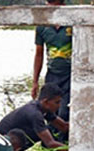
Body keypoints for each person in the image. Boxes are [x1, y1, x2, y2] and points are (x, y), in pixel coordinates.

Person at [32, 0, 72, 132]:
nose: (50, 9)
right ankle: (49, 144)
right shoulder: (42, 26)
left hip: (71, 74)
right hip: (52, 74)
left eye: (54, 6)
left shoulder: (72, 20)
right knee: (47, 110)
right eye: (48, 6)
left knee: (64, 111)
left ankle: (63, 143)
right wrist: (35, 82)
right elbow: (39, 54)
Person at [0, 83, 69, 151]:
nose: (59, 106)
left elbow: (64, 127)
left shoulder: (44, 108)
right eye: (57, 102)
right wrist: (73, 150)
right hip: (0, 145)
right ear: (46, 102)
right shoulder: (35, 114)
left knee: (48, 132)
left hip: (17, 140)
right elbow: (50, 143)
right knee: (47, 137)